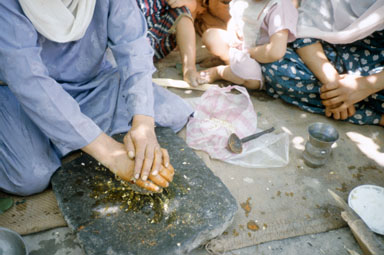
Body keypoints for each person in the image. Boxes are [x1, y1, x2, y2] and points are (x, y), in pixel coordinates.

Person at [0, 0, 194, 196]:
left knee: (172, 113)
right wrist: (111, 154)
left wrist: (143, 123)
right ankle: (79, 140)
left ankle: (72, 142)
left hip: (93, 84)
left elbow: (133, 46)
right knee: (30, 177)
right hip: (21, 99)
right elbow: (28, 81)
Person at [262, 0, 384, 125]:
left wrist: (365, 86)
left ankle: (355, 107)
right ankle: (370, 115)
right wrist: (335, 86)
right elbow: (305, 33)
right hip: (333, 53)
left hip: (377, 72)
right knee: (276, 65)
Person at [199, 0, 298, 90]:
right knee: (211, 36)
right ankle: (230, 64)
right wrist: (232, 29)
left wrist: (247, 53)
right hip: (240, 47)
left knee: (248, 74)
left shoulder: (280, 6)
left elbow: (275, 52)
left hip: (261, 60)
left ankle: (220, 72)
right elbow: (235, 17)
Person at [136, 0, 207, 87]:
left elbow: (192, 6)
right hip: (131, 44)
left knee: (182, 11)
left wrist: (185, 2)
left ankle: (189, 69)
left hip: (158, 40)